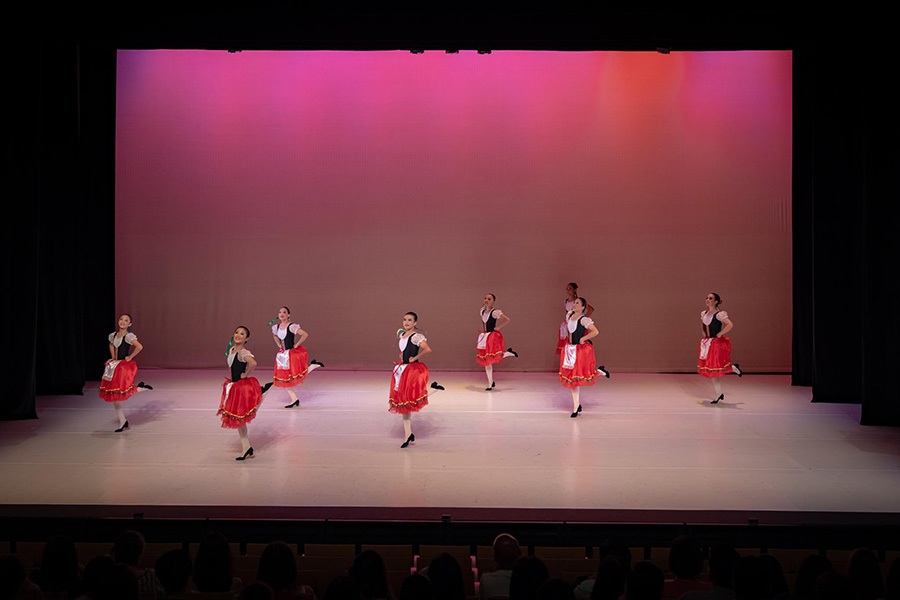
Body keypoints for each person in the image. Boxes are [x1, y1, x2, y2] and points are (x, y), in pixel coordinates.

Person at [217, 326, 272, 460]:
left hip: (241, 388)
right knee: (239, 420)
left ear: (246, 339)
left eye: (242, 334)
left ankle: (261, 392)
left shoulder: (243, 352)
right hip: (233, 386)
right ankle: (246, 447)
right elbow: (231, 367)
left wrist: (245, 375)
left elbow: (253, 363)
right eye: (236, 332)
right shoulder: (232, 350)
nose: (238, 335)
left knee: (241, 417)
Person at [390, 312, 442, 448]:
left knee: (409, 400)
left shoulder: (416, 337)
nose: (406, 322)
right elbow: (403, 349)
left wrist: (414, 358)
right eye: (405, 319)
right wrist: (402, 357)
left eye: (410, 320)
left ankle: (433, 389)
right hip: (402, 369)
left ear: (415, 323)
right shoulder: (402, 334)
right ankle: (408, 434)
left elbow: (427, 349)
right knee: (404, 403)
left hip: (411, 371)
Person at [99, 314, 152, 432]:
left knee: (121, 392)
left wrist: (130, 356)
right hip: (114, 365)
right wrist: (113, 357)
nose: (123, 322)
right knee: (115, 395)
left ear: (130, 324)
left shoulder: (128, 336)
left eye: (126, 320)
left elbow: (139, 347)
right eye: (121, 319)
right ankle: (123, 421)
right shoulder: (113, 335)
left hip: (122, 367)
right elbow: (111, 344)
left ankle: (140, 388)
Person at [558, 297, 609, 417]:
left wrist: (584, 338)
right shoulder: (569, 316)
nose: (574, 304)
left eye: (577, 303)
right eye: (574, 302)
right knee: (573, 380)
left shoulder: (584, 320)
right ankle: (577, 405)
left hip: (580, 352)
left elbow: (595, 331)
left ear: (582, 307)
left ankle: (576, 407)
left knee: (580, 377)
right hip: (570, 350)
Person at [271, 306, 324, 409]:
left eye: (284, 312)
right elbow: (275, 335)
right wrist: (278, 344)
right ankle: (294, 399)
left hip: (291, 355)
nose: (281, 314)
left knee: (295, 376)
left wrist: (297, 345)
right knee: (286, 379)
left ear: (288, 315)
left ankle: (312, 366)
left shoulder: (292, 326)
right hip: (282, 355)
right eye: (280, 312)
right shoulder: (276, 327)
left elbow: (304, 334)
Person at [697, 293, 743, 404]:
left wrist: (720, 333)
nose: (707, 300)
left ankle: (733, 370)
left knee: (715, 369)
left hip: (716, 344)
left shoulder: (719, 315)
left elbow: (730, 324)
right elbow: (703, 325)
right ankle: (719, 393)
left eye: (710, 298)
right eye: (707, 298)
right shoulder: (704, 313)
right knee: (713, 370)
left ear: (716, 301)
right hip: (707, 343)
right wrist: (703, 333)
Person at [476, 294, 519, 391]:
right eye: (485, 298)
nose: (486, 300)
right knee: (487, 361)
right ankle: (490, 383)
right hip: (484, 336)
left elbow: (507, 319)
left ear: (493, 301)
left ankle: (509, 353)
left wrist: (499, 327)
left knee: (492, 357)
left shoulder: (495, 312)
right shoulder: (482, 310)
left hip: (492, 337)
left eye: (489, 299)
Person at [557, 283, 593, 354]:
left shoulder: (578, 301)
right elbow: (567, 313)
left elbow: (590, 309)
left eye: (570, 289)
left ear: (575, 290)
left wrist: (582, 318)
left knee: (577, 340)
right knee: (568, 340)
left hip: (576, 323)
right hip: (568, 323)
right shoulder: (566, 301)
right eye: (567, 289)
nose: (568, 291)